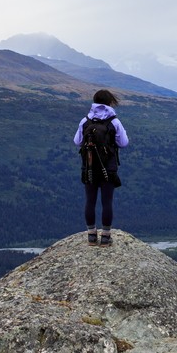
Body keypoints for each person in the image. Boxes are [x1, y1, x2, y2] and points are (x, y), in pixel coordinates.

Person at [74, 89, 129, 246]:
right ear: (110, 102)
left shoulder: (85, 121)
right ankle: (105, 236)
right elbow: (124, 143)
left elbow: (77, 141)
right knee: (107, 201)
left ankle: (91, 235)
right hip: (108, 168)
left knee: (90, 201)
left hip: (89, 166)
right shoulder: (114, 122)